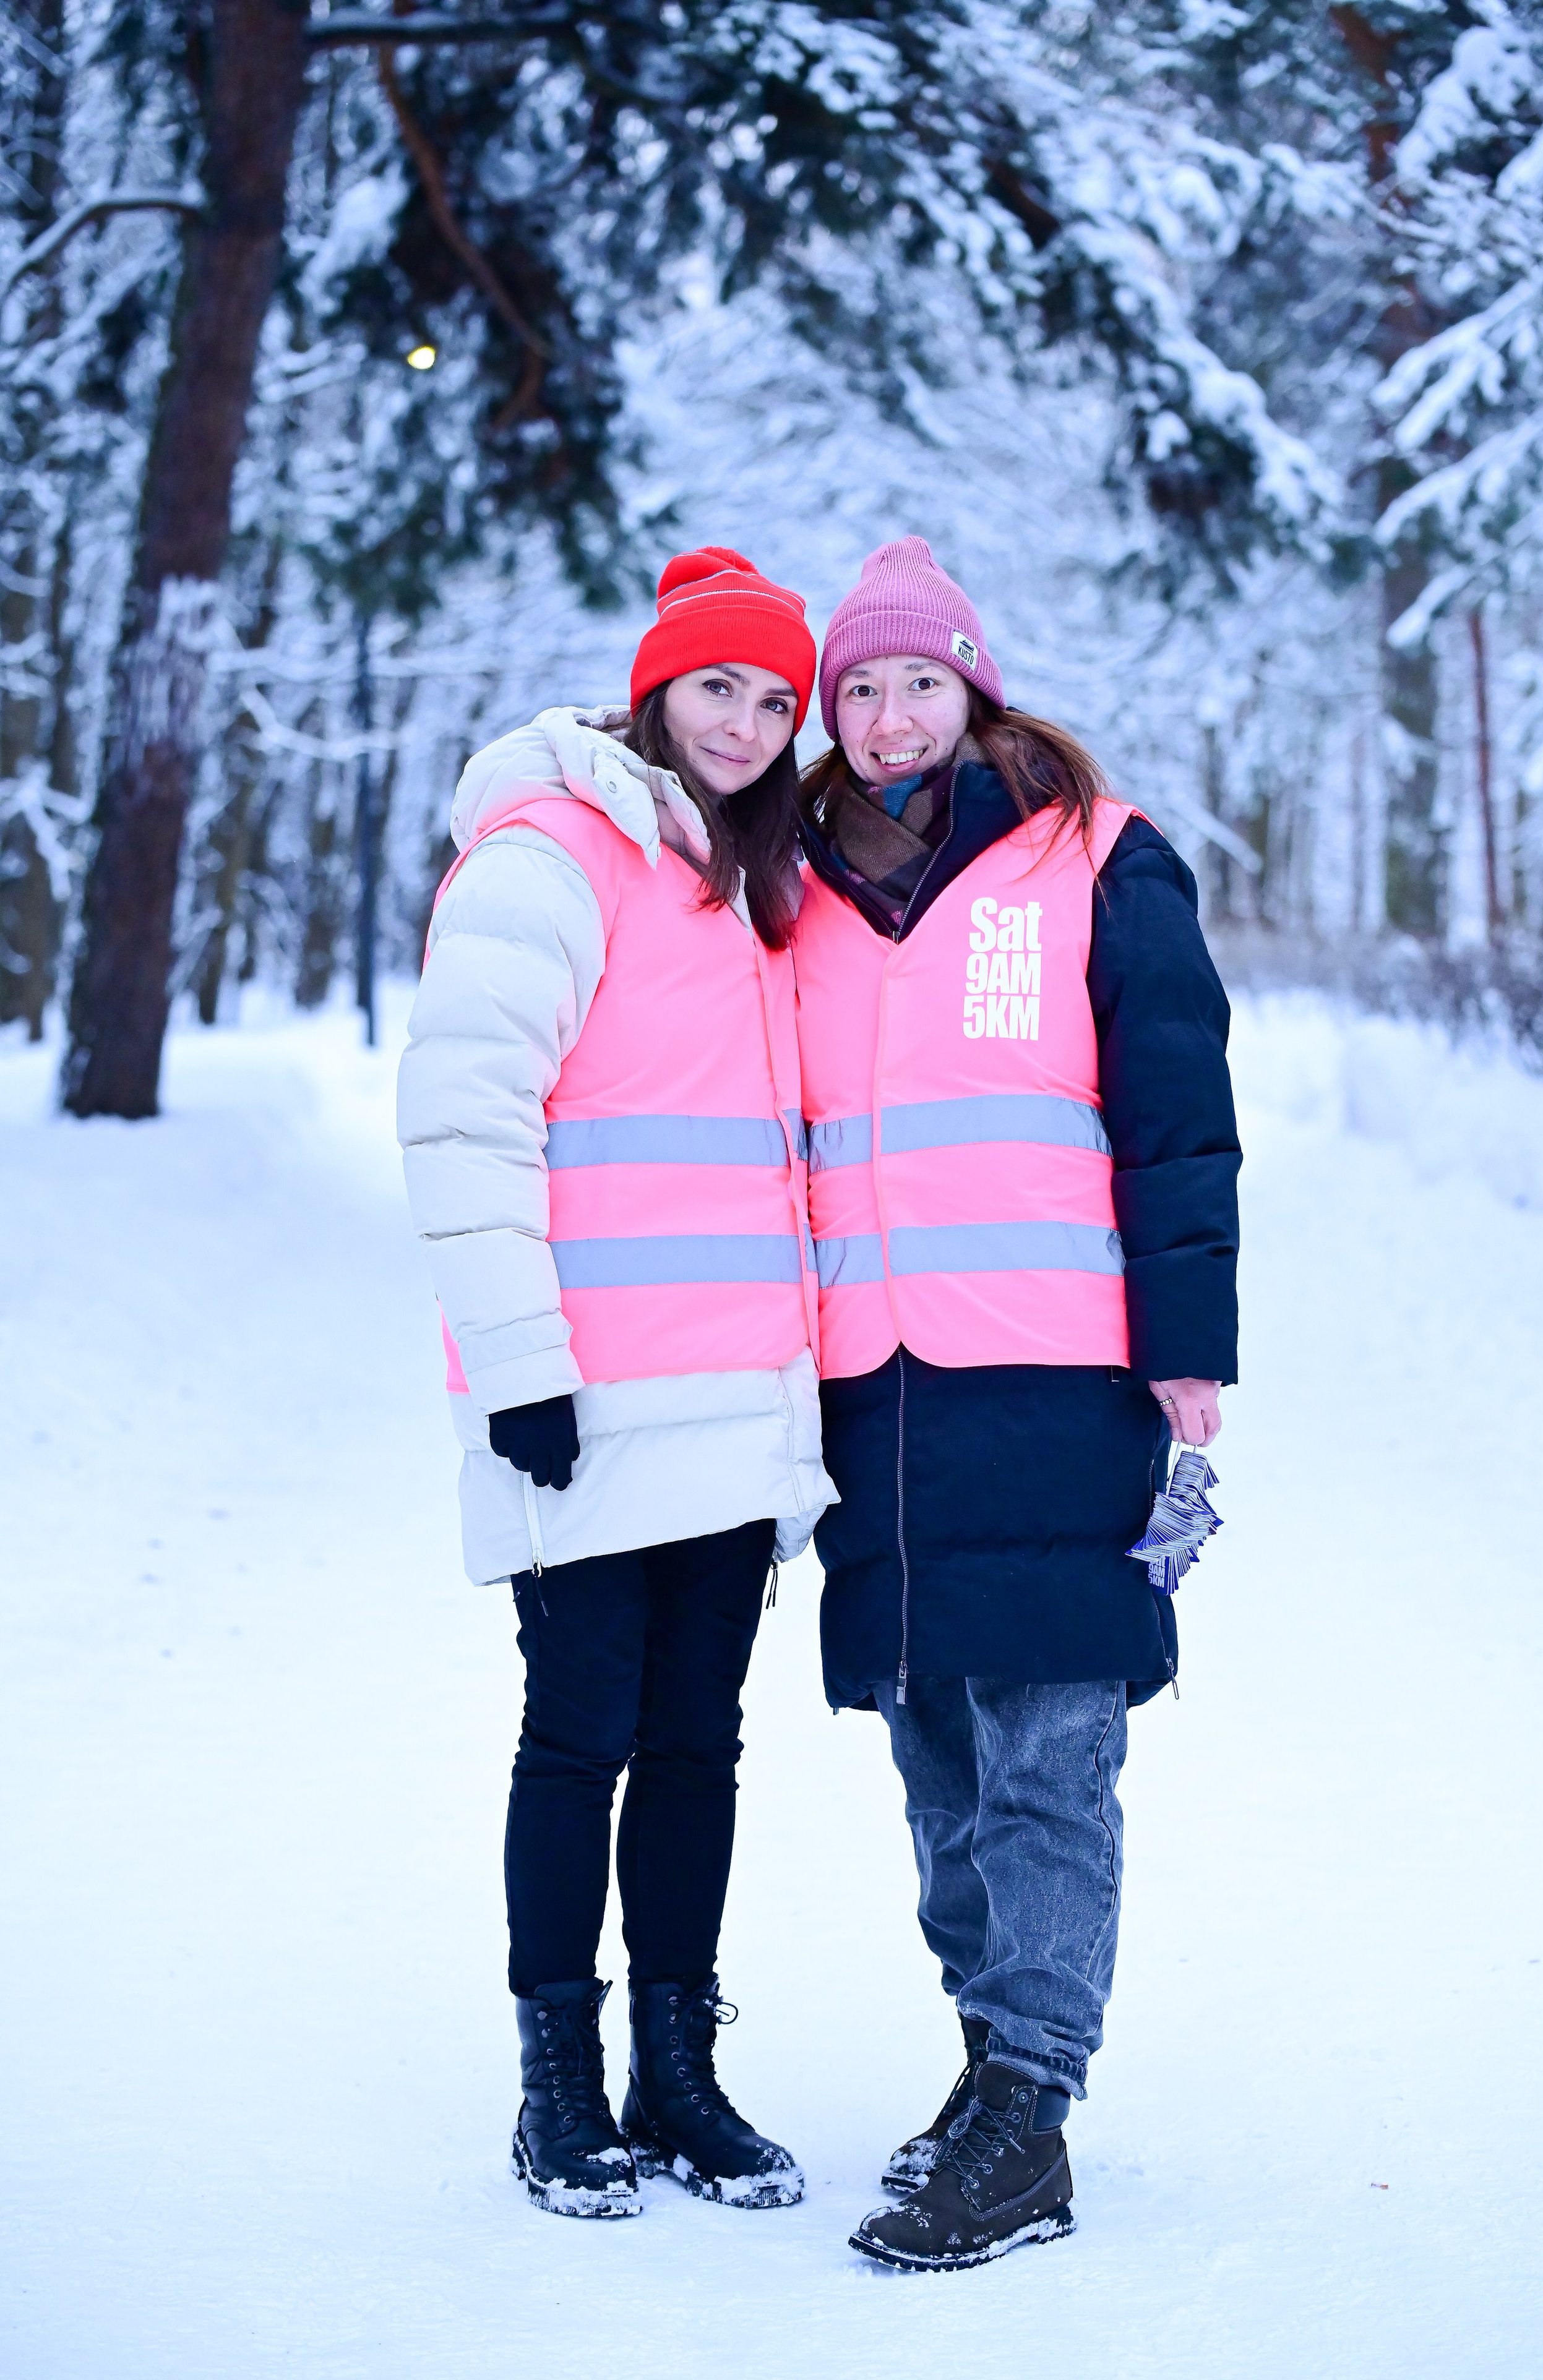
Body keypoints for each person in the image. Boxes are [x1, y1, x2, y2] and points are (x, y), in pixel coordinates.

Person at [791, 537, 1240, 2271]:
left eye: (921, 679)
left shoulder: (1101, 862)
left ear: (977, 686)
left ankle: (1033, 2100)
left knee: (1055, 1740)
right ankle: (994, 2058)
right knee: (938, 1747)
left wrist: (1189, 1345)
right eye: (863, 688)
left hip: (1057, 1372)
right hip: (880, 1388)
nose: (891, 715)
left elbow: (1179, 1114)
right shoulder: (803, 891)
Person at [397, 547, 835, 2221]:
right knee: (579, 1737)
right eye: (718, 685)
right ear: (657, 689)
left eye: (774, 698)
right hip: (585, 1398)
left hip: (732, 1404)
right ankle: (558, 2088)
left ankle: (680, 2074)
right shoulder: (556, 850)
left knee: (700, 1744)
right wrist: (519, 1361)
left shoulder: (747, 880)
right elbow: (463, 1113)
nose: (746, 720)